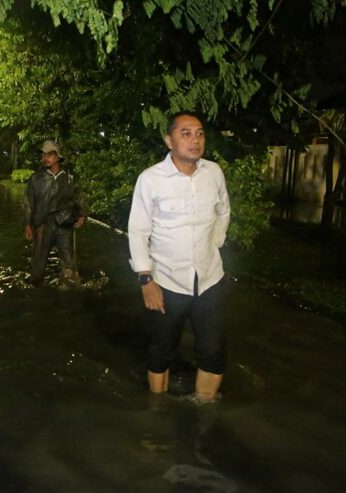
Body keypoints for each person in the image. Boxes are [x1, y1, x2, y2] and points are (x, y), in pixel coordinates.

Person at [127, 111, 231, 404]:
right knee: (162, 349)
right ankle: (157, 411)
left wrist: (217, 242)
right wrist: (146, 279)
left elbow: (223, 212)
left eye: (199, 133)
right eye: (185, 133)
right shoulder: (151, 180)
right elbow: (137, 231)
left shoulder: (213, 173)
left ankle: (204, 410)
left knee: (213, 350)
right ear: (168, 140)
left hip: (210, 279)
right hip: (167, 282)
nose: (195, 140)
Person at [23, 140, 86, 287]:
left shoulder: (70, 177)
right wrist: (27, 223)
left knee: (68, 260)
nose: (45, 158)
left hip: (64, 223)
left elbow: (80, 196)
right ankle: (36, 288)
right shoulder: (36, 178)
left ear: (57, 157)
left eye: (49, 155)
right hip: (42, 224)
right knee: (39, 259)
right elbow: (28, 201)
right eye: (43, 155)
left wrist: (82, 215)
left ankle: (68, 285)